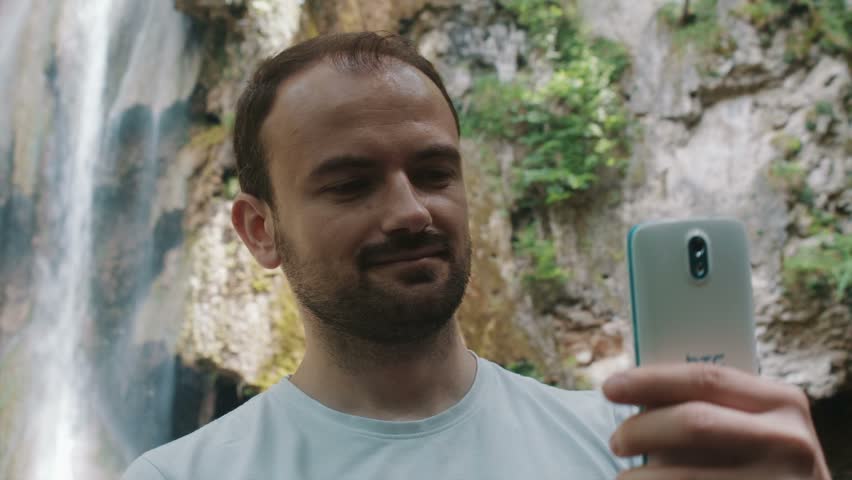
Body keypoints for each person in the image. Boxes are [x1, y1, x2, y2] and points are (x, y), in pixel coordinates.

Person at [123, 32, 831, 479]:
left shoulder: (635, 446)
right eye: (350, 184)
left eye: (434, 172)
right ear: (259, 230)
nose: (411, 211)